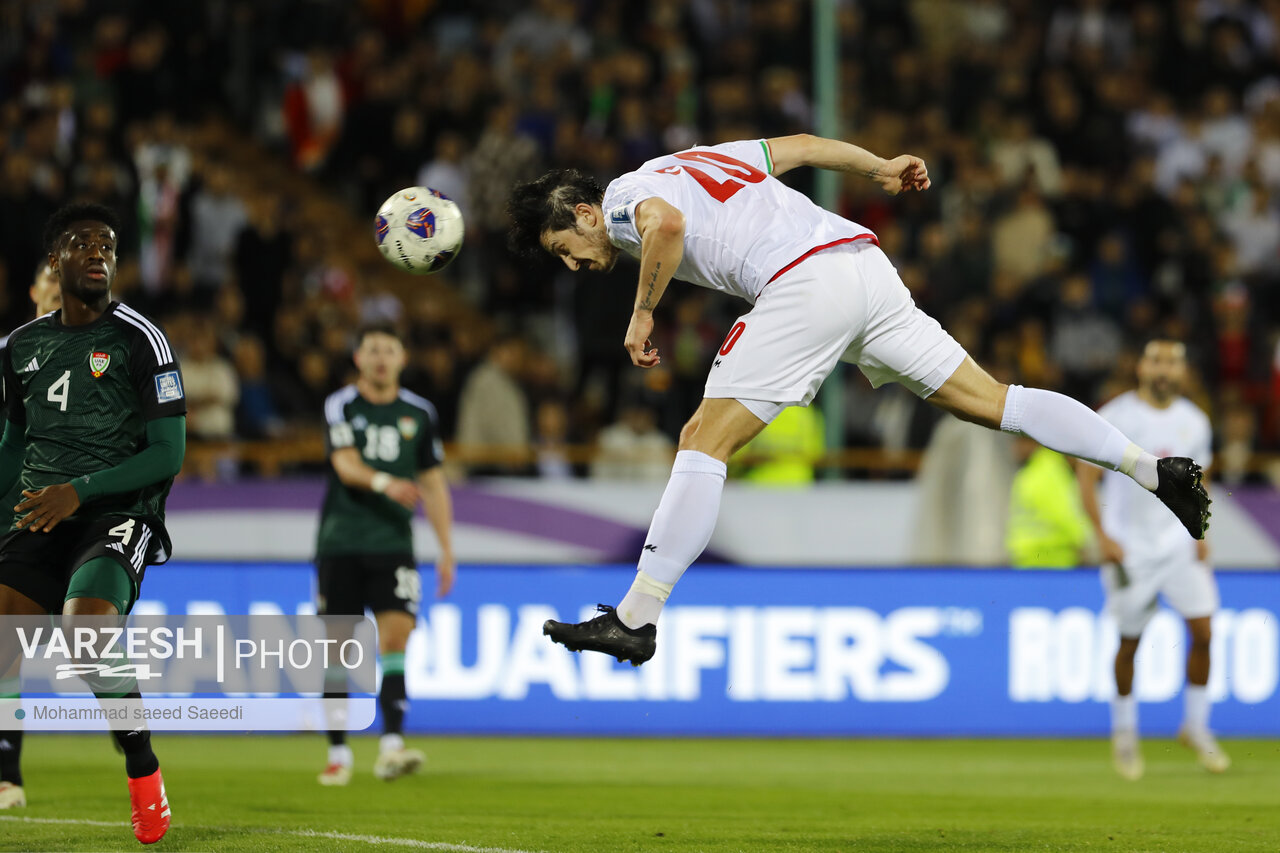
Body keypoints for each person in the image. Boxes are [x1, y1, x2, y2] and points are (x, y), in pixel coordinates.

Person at [506, 134, 1211, 666]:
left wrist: (642, 315)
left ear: (584, 212)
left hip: (803, 281)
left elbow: (665, 227)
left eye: (564, 247)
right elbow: (800, 147)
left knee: (700, 439)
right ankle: (1155, 471)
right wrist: (877, 167)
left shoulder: (623, 203)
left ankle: (636, 617)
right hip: (863, 265)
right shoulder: (683, 161)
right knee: (993, 401)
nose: (573, 264)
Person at [0, 203, 184, 844]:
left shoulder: (141, 339)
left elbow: (168, 454)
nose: (97, 251)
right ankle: (6, 773)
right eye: (82, 243)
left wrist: (79, 491)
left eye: (106, 244)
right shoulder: (22, 347)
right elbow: (13, 446)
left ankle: (142, 767)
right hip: (41, 512)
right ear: (55, 261)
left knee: (86, 631)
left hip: (116, 511)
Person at [1077, 340, 1228, 779]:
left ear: (1183, 372)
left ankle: (1195, 726)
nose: (1164, 370)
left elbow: (1200, 478)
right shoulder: (1116, 415)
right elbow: (1085, 474)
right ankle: (1125, 733)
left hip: (1178, 544)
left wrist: (1200, 530)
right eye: (1156, 361)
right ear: (1141, 367)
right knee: (1130, 642)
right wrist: (1101, 534)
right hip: (1131, 548)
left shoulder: (1195, 420)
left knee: (1204, 631)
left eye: (1172, 363)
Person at [315, 324, 455, 785]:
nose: (380, 358)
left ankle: (392, 746)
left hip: (393, 544)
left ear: (402, 358)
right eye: (372, 349)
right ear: (358, 359)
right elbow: (344, 464)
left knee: (396, 639)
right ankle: (338, 753)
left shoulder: (420, 412)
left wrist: (446, 549)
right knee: (338, 649)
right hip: (341, 541)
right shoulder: (341, 405)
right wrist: (385, 483)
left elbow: (433, 483)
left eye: (389, 350)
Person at [0, 260, 65, 811]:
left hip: (39, 515)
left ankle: (7, 773)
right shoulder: (9, 353)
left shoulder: (95, 354)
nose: (59, 288)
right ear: (34, 291)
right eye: (51, 280)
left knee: (10, 650)